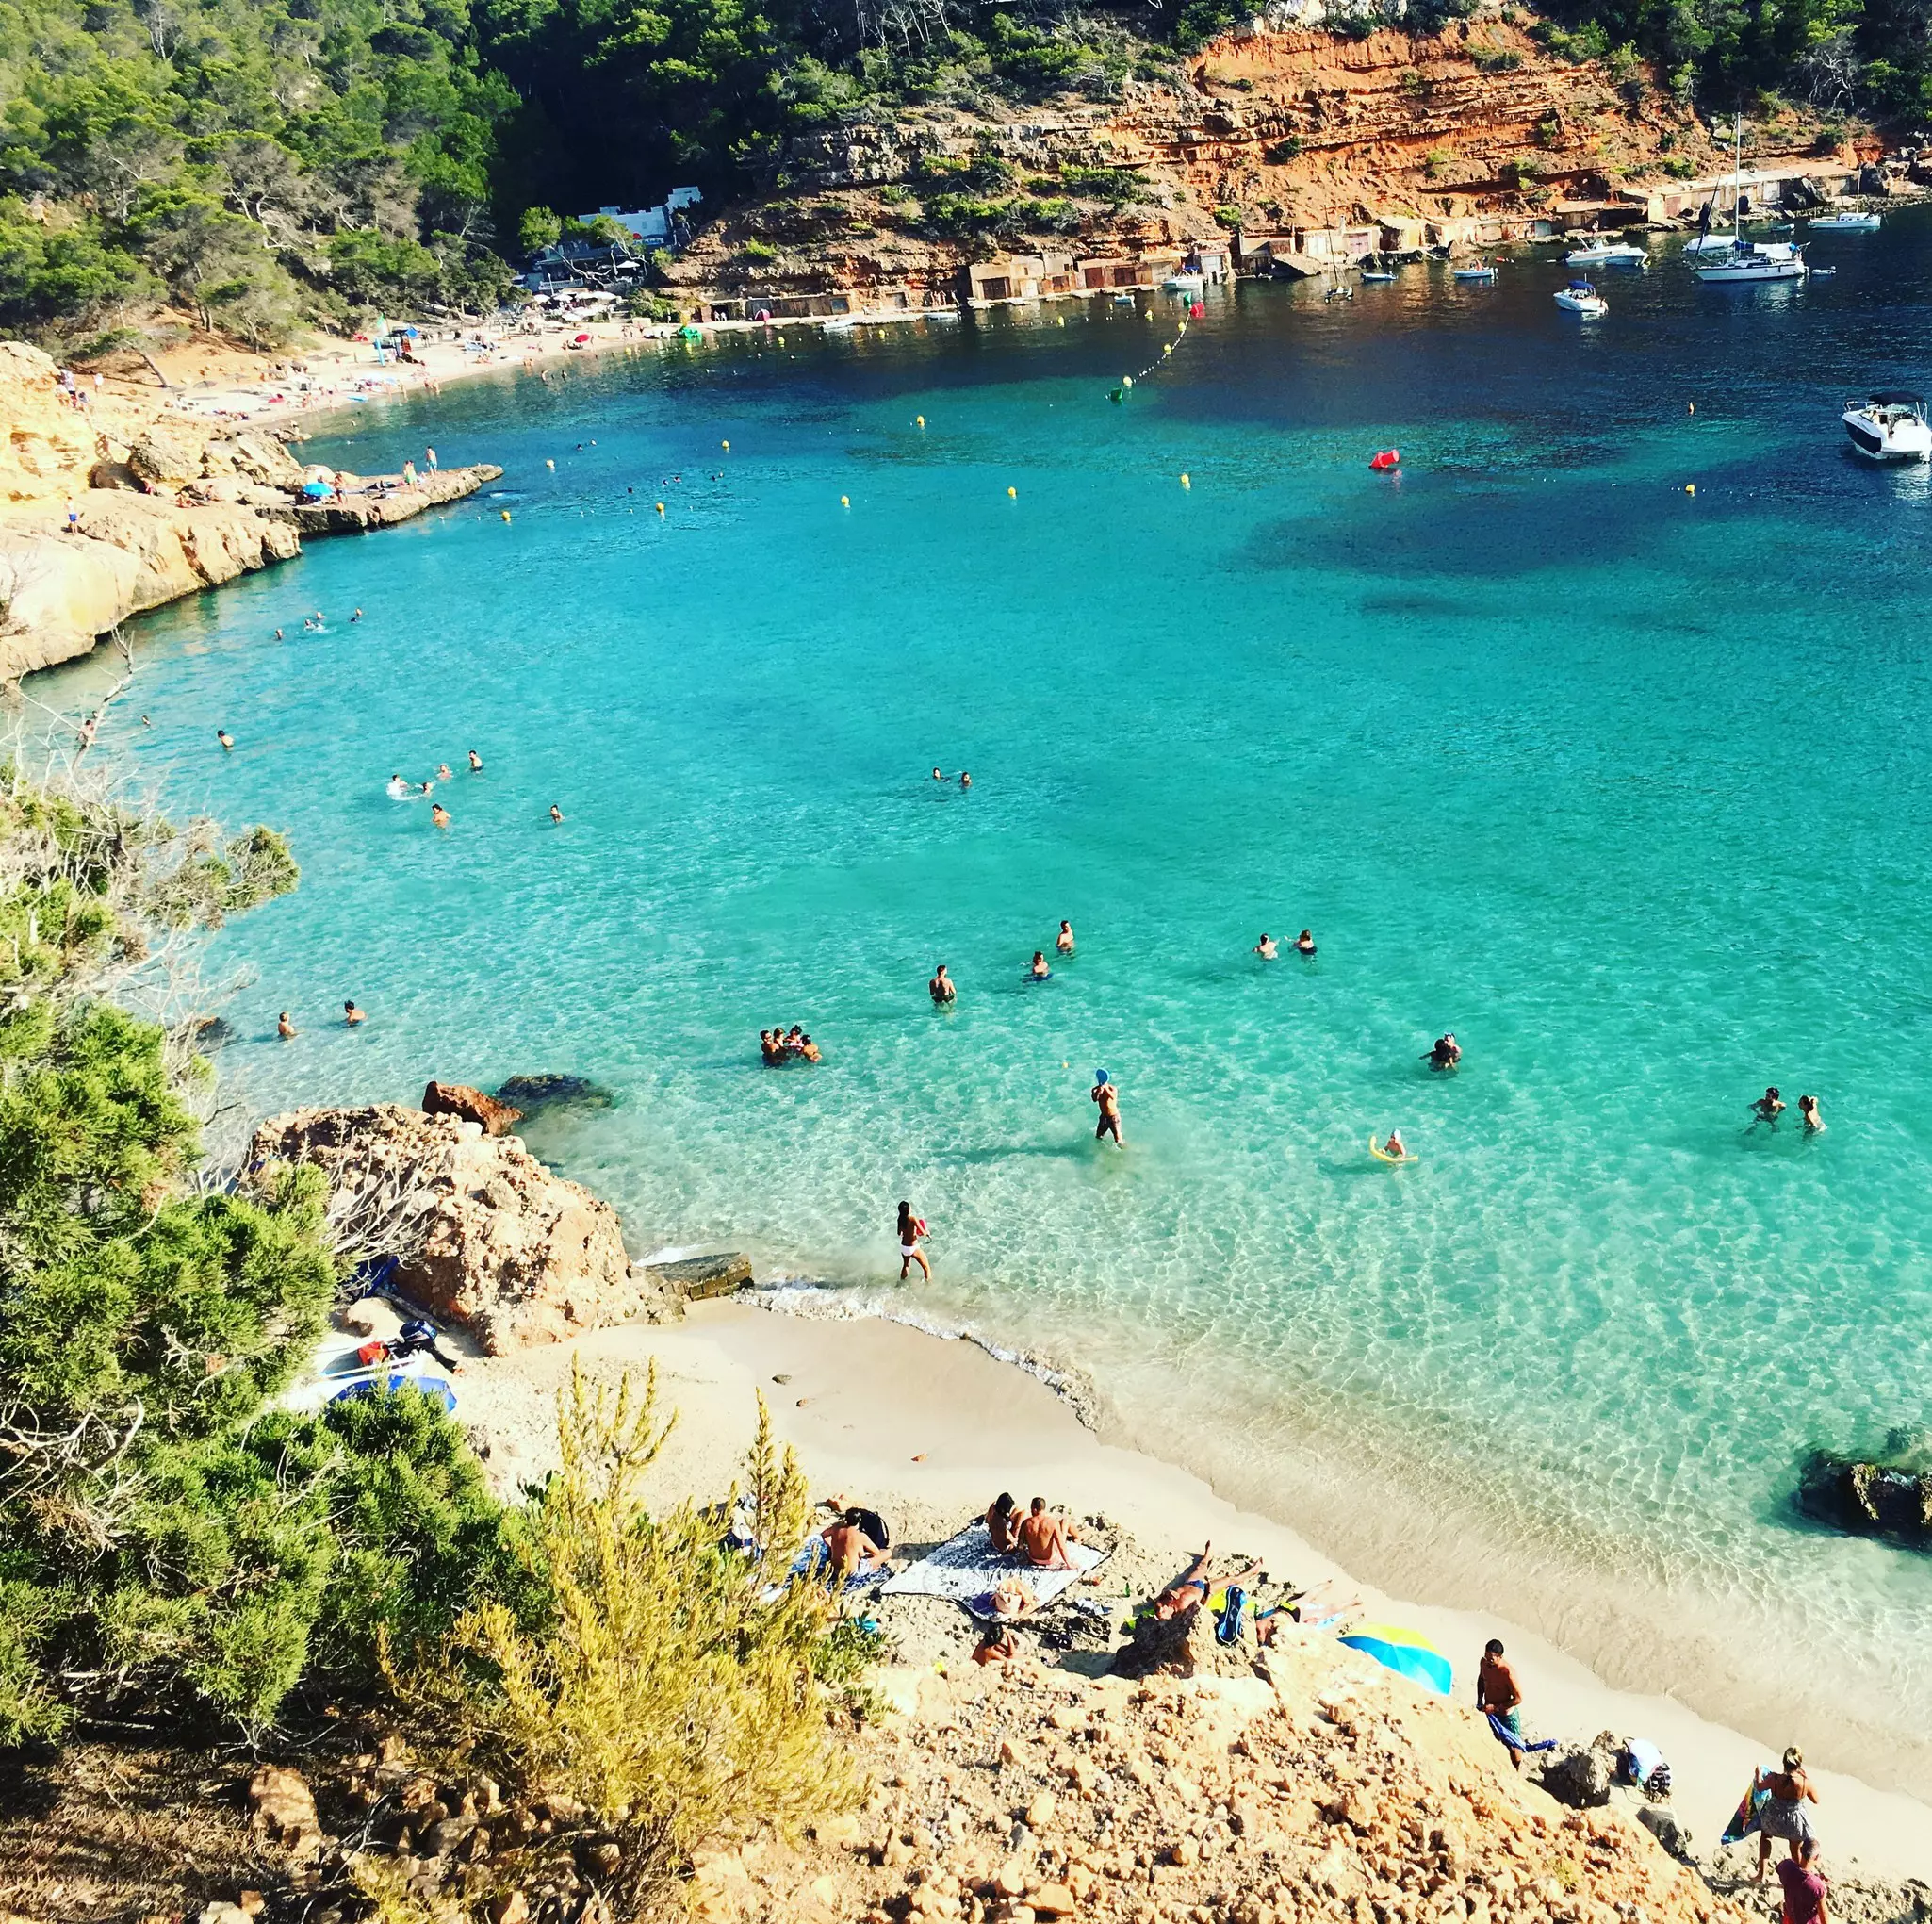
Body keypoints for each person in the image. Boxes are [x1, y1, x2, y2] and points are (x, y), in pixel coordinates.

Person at [1756, 1748, 1820, 1882]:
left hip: (1773, 1818)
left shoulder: (1774, 1778)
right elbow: (1816, 1800)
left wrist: (1758, 1774)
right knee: (1795, 1847)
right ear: (1799, 1764)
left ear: (1783, 1762)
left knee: (1766, 1838)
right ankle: (1798, 1877)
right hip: (1794, 1822)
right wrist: (1805, 1777)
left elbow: (1760, 1787)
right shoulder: (1803, 1782)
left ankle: (1762, 1874)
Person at [1477, 1639, 1524, 1758]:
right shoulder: (1484, 1663)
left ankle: (1516, 1772)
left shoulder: (1507, 1672)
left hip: (1506, 1714)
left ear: (1500, 1657)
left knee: (1514, 1748)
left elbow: (1518, 1699)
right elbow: (1482, 1679)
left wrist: (1495, 1708)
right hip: (1489, 1711)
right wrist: (1479, 1700)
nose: (1488, 1661)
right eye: (1486, 1657)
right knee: (1491, 1741)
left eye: (1491, 1659)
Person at [820, 1509, 890, 1581]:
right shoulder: (860, 1536)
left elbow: (822, 1535)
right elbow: (876, 1552)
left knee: (857, 1550)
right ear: (859, 1520)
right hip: (852, 1573)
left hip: (836, 1570)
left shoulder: (835, 1529)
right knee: (887, 1553)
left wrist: (833, 1546)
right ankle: (874, 1567)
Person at [1018, 1496, 1080, 1570]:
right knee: (1065, 1521)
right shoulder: (1052, 1522)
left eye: (1031, 1508)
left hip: (1034, 1559)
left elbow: (1020, 1546)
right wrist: (1069, 1564)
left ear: (1034, 1509)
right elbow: (1061, 1546)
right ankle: (1079, 1536)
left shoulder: (1026, 1523)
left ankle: (1077, 1537)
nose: (1031, 1511)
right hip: (1051, 1560)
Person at [1777, 1836, 1828, 1924]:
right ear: (1816, 1857)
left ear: (1800, 1850)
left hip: (1790, 1918)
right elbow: (1823, 1916)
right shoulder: (1818, 1887)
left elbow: (1781, 1870)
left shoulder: (1786, 1866)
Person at [897, 1201, 929, 1280]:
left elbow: (899, 1233)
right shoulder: (913, 1219)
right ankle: (928, 1285)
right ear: (908, 1210)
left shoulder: (900, 1219)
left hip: (904, 1247)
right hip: (913, 1247)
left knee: (906, 1265)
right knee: (926, 1267)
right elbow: (922, 1232)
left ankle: (901, 1282)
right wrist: (927, 1232)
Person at [1092, 1069, 1122, 1146]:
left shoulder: (1112, 1089)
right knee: (1098, 1137)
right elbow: (1095, 1099)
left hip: (1113, 1117)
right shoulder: (1097, 1089)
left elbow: (1113, 1097)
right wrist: (1097, 1092)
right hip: (1103, 1117)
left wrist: (1105, 1089)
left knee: (1118, 1140)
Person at [986, 1490, 1021, 1554]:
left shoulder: (993, 1508)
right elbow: (1009, 1539)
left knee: (1018, 1510)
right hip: (1005, 1548)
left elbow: (987, 1520)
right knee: (1023, 1513)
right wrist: (1018, 1538)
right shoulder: (1003, 1523)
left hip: (994, 1541)